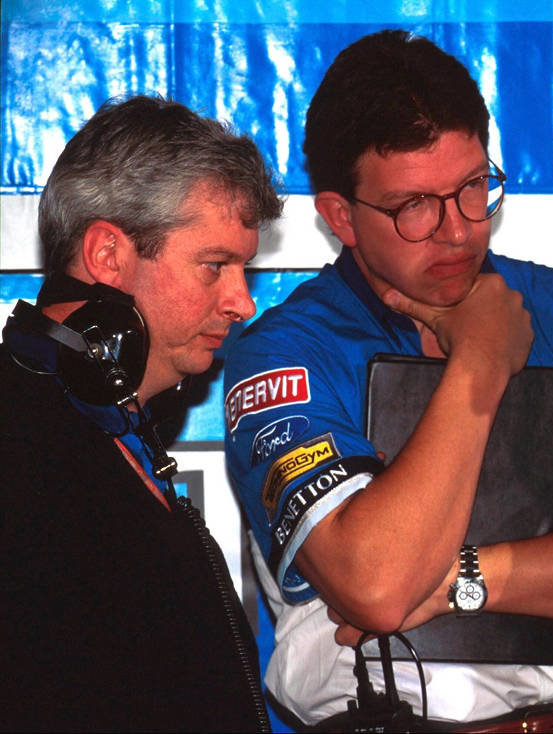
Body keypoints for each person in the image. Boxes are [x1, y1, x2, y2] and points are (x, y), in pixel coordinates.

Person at [223, 29, 553, 728]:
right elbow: (375, 586)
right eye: (413, 206)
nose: (458, 230)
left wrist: (467, 579)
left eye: (474, 187)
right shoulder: (289, 351)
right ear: (340, 216)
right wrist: (481, 361)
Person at [1, 95, 282, 731]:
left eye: (244, 269)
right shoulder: (19, 444)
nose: (241, 302)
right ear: (108, 256)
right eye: (215, 266)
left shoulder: (107, 432)